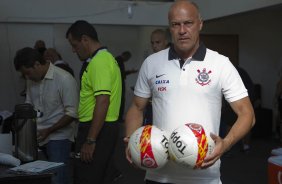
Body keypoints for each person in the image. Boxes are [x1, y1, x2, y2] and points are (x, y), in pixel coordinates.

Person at [124, 1, 255, 184]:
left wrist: (225, 144)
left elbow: (247, 113)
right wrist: (132, 140)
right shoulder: (152, 63)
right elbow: (137, 108)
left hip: (205, 176)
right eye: (176, 24)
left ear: (200, 24)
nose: (182, 30)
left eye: (188, 23)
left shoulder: (221, 64)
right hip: (158, 174)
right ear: (170, 28)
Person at [66, 20, 122, 184]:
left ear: (85, 39)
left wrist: (90, 140)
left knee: (86, 177)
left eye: (74, 45)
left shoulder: (100, 62)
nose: (73, 50)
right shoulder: (100, 59)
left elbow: (103, 101)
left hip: (97, 129)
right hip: (98, 127)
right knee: (96, 176)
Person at [14, 47, 79, 184]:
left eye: (28, 72)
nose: (27, 77)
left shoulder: (64, 78)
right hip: (37, 135)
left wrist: (49, 130)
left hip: (59, 136)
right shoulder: (31, 79)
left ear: (37, 64)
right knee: (38, 177)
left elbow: (72, 113)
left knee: (57, 178)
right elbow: (29, 105)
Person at [143, 29, 171, 125]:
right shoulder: (149, 62)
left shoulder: (175, 61)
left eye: (158, 42)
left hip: (169, 111)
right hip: (152, 108)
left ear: (166, 42)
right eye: (152, 43)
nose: (154, 46)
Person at [115, 51, 138, 122]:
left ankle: (118, 117)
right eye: (128, 58)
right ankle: (119, 118)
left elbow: (121, 73)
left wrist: (130, 72)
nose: (127, 60)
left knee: (120, 100)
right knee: (121, 100)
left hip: (118, 82)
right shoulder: (119, 60)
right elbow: (121, 73)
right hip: (119, 82)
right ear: (125, 55)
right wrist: (130, 72)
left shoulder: (117, 60)